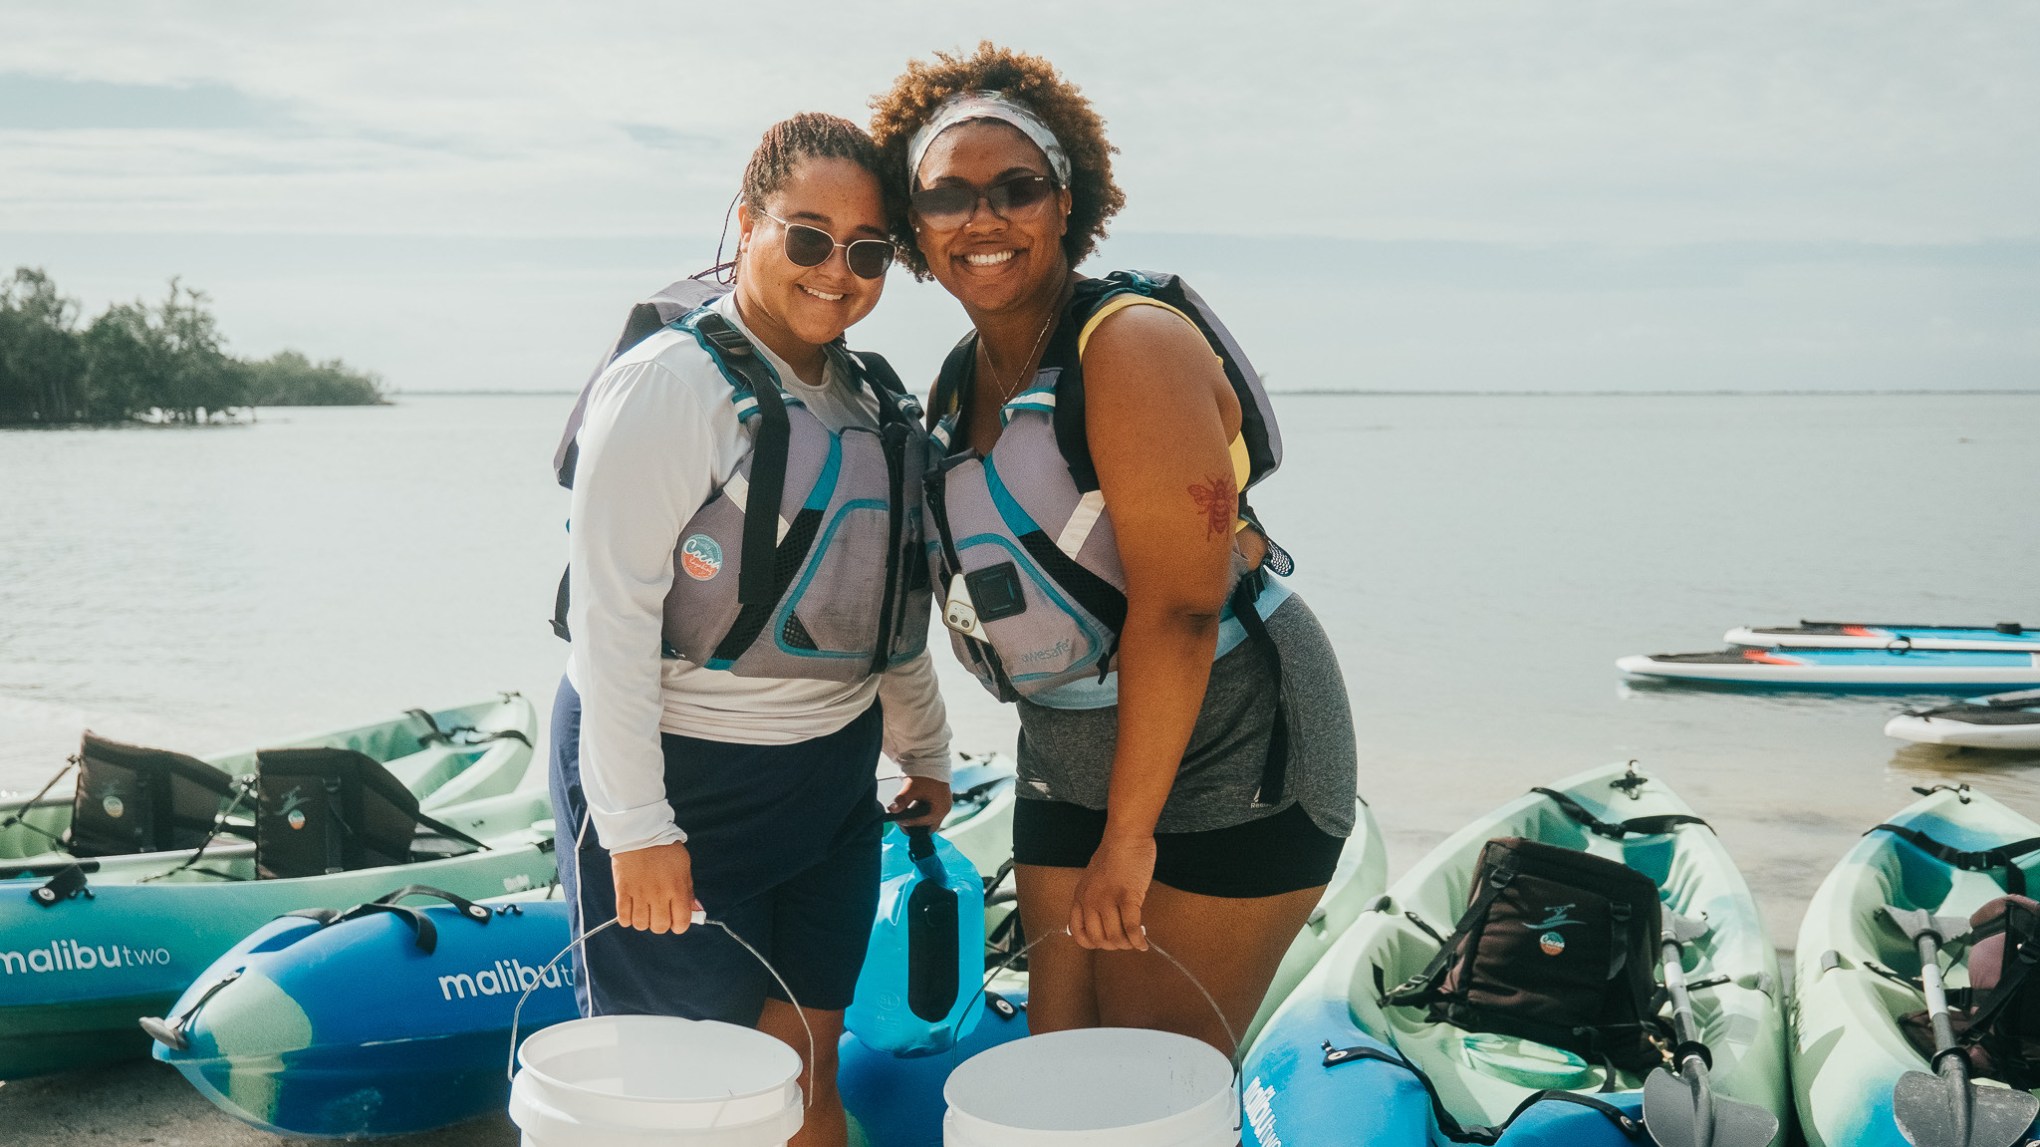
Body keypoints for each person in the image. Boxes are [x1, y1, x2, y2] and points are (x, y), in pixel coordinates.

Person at [869, 45, 1359, 1054]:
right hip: (1066, 740)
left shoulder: (1130, 344)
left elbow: (1179, 609)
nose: (985, 217)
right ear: (913, 225)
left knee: (1144, 1066)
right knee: (1057, 1054)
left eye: (1018, 188)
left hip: (1232, 732)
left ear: (1066, 202)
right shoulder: (959, 381)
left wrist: (1129, 837)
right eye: (948, 196)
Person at [547, 112, 952, 1147]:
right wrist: (638, 830)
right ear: (745, 223)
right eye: (807, 237)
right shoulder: (672, 387)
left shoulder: (870, 401)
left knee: (807, 1072)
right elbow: (611, 624)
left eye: (867, 252)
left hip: (829, 785)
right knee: (683, 1106)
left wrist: (927, 747)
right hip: (687, 780)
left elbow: (887, 609)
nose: (837, 271)